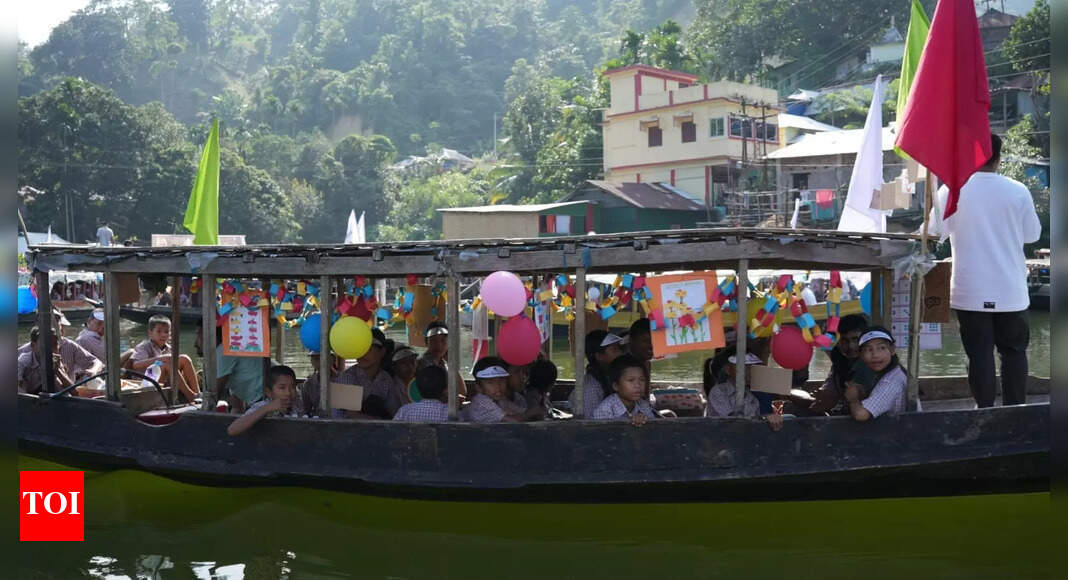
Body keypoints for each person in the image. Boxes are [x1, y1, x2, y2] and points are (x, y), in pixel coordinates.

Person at [927, 133, 1042, 408]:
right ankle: (1016, 410)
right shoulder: (1018, 190)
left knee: (979, 354)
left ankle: (984, 411)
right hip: (1011, 290)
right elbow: (1033, 235)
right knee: (1014, 353)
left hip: (969, 290)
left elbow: (932, 234)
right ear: (999, 159)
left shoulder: (952, 190)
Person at [335, 327, 407, 419]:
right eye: (360, 349)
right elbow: (352, 416)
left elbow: (394, 412)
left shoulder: (386, 379)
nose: (362, 354)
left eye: (368, 349)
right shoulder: (347, 377)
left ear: (382, 352)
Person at [704, 352, 784, 431]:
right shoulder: (719, 391)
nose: (749, 372)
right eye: (744, 367)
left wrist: (770, 418)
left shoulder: (750, 394)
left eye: (751, 368)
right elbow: (732, 422)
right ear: (728, 370)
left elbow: (755, 419)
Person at [130, 315, 200, 403]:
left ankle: (197, 394)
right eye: (159, 331)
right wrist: (160, 359)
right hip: (144, 382)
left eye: (166, 332)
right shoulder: (144, 346)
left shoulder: (169, 349)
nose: (163, 335)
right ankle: (190, 396)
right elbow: (135, 365)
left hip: (163, 379)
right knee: (165, 364)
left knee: (185, 358)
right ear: (150, 333)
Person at [809, 314, 869, 415]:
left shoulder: (871, 365)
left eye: (855, 339)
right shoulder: (840, 362)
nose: (851, 346)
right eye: (844, 341)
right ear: (837, 342)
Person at [844, 327, 908, 421]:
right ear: (861, 355)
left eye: (881, 348)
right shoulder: (894, 371)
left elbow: (860, 415)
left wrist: (853, 399)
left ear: (892, 350)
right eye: (868, 349)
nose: (875, 355)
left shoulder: (890, 381)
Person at [227, 365, 301, 436]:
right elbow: (232, 430)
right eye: (282, 388)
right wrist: (267, 409)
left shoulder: (296, 404)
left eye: (292, 387)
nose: (288, 393)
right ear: (269, 392)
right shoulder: (262, 406)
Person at [463, 356, 542, 423]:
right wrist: (532, 412)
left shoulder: (501, 400)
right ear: (479, 388)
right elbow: (514, 421)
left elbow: (520, 411)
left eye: (501, 380)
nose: (498, 386)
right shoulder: (481, 401)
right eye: (490, 382)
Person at [568, 329, 624, 415]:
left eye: (619, 349)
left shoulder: (609, 378)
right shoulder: (591, 388)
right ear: (599, 356)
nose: (620, 353)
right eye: (615, 349)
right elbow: (592, 424)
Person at [591, 355, 657, 426]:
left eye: (642, 380)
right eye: (631, 380)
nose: (638, 385)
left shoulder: (643, 404)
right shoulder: (604, 411)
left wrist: (644, 420)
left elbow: (653, 427)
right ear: (616, 386)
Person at [18, 326, 75, 394]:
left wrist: (58, 371)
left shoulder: (56, 361)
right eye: (45, 344)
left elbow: (74, 392)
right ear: (33, 345)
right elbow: (21, 393)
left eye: (54, 344)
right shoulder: (23, 362)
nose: (50, 349)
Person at [301, 350, 345, 418]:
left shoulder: (344, 380)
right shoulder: (308, 384)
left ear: (332, 359)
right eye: (316, 359)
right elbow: (306, 410)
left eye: (324, 358)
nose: (320, 362)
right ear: (312, 361)